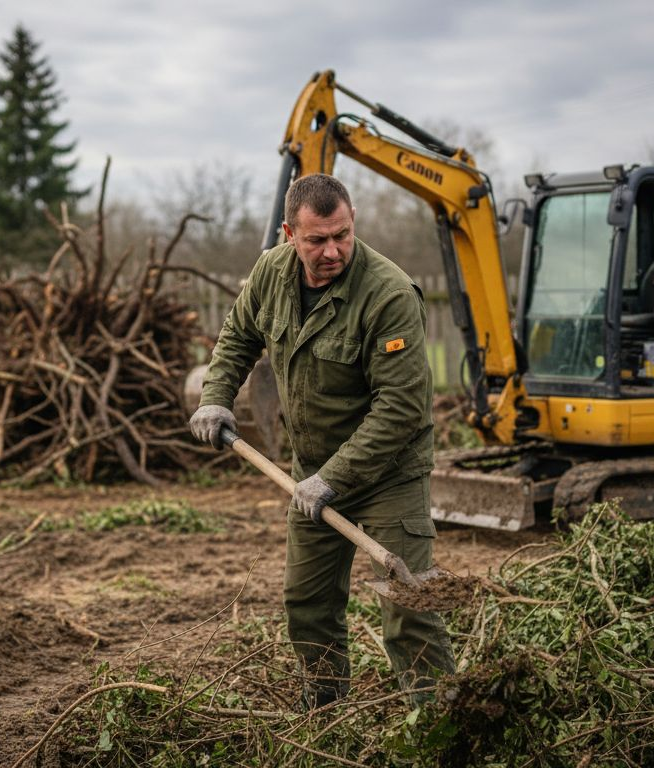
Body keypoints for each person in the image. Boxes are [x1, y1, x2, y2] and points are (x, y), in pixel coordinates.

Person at [188, 173, 455, 709]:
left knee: (411, 610)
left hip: (388, 474)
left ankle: (440, 728)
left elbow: (400, 408)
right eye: (316, 240)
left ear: (352, 220)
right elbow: (240, 334)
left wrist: (333, 478)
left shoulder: (389, 294)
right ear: (290, 233)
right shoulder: (270, 273)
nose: (332, 250)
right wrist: (216, 395)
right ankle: (327, 714)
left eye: (342, 235)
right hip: (310, 468)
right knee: (307, 604)